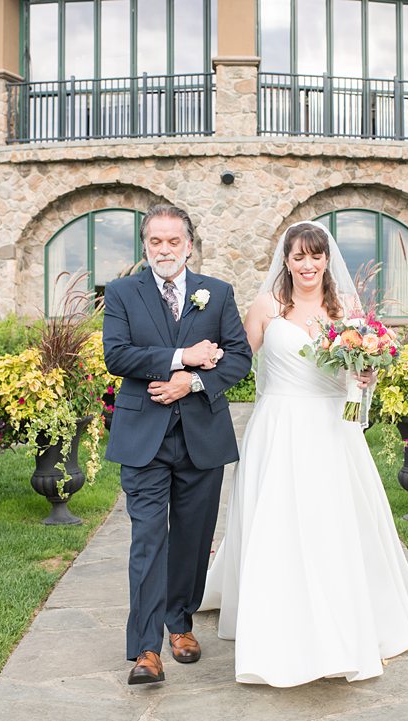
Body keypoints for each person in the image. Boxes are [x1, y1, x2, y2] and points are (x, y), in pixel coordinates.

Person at [200, 221, 408, 687]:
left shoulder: (346, 307)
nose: (307, 265)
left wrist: (365, 377)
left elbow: (359, 372)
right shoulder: (267, 306)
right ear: (285, 260)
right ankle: (279, 621)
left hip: (333, 427)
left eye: (316, 256)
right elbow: (238, 362)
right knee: (281, 517)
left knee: (335, 518)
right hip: (281, 424)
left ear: (327, 259)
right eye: (298, 257)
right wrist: (195, 367)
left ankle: (345, 611)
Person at [102, 204, 252, 685]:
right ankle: (146, 648)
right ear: (144, 245)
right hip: (143, 435)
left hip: (200, 437)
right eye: (155, 242)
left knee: (191, 540)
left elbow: (239, 360)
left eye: (173, 242)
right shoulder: (124, 292)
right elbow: (116, 354)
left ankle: (180, 623)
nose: (164, 250)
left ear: (189, 244)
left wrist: (193, 383)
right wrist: (180, 357)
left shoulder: (219, 293)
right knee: (148, 540)